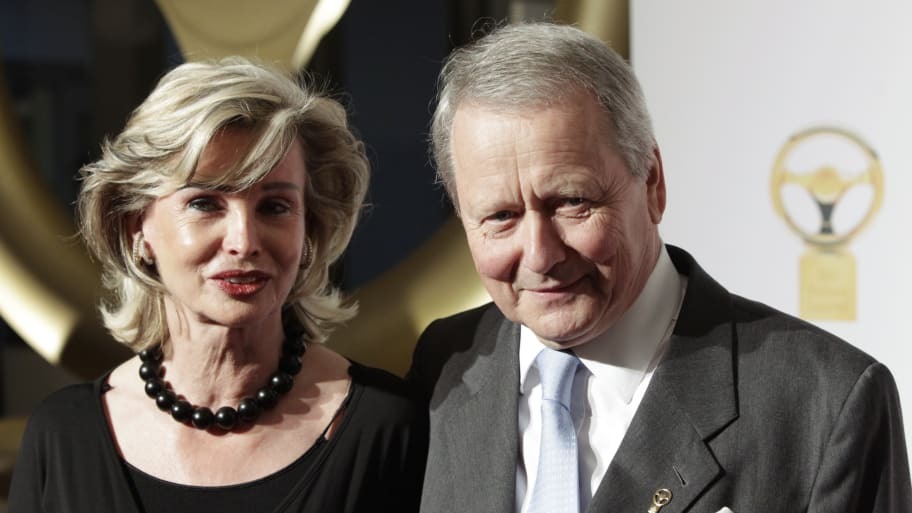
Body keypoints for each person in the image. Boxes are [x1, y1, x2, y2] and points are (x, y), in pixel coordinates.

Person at [408, 21, 912, 513]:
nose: (541, 255)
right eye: (501, 216)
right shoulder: (446, 363)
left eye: (572, 202)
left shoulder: (826, 402)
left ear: (652, 183)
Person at [9, 57, 426, 513]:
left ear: (310, 228)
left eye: (275, 207)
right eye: (205, 204)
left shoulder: (387, 426)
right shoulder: (61, 437)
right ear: (136, 228)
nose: (243, 241)